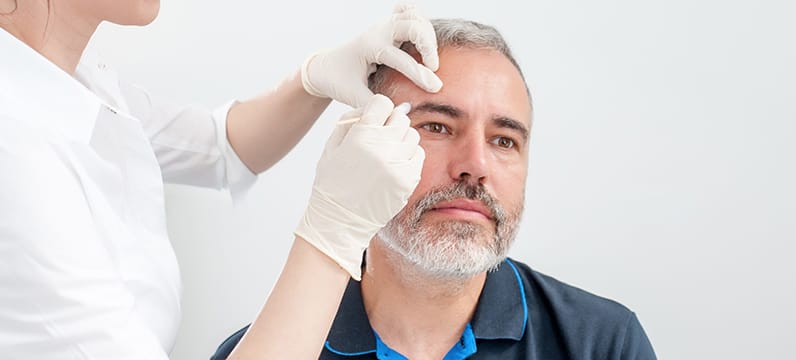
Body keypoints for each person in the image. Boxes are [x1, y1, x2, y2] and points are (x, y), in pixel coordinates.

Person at [0, 0, 438, 358]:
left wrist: (313, 79)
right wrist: (336, 228)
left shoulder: (67, 77)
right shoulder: (16, 157)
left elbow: (218, 145)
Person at [212, 18, 658, 359]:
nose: (476, 166)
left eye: (504, 140)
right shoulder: (267, 348)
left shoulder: (601, 343)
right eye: (439, 127)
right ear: (364, 140)